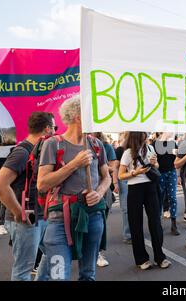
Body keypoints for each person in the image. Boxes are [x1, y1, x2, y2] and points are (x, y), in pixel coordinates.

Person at [37, 96, 111, 281]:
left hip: (92, 217)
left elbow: (107, 177)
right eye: (92, 112)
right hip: (59, 221)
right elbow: (43, 184)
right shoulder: (53, 144)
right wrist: (74, 164)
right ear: (78, 116)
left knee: (88, 274)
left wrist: (99, 193)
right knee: (57, 276)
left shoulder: (96, 144)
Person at [0, 112, 56, 281]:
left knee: (53, 255)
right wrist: (18, 212)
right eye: (54, 128)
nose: (55, 133)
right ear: (47, 129)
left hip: (41, 216)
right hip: (27, 218)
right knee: (23, 270)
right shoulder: (22, 152)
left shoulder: (39, 151)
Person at [118, 132, 171, 270]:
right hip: (135, 189)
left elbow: (157, 167)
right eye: (143, 133)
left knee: (155, 222)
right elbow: (121, 175)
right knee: (136, 224)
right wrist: (135, 172)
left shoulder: (150, 148)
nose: (147, 135)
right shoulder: (128, 153)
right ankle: (142, 259)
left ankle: (160, 257)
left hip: (151, 187)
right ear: (137, 135)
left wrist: (154, 164)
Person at [93, 132, 118, 268]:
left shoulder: (105, 146)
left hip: (102, 188)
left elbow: (112, 168)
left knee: (100, 222)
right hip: (83, 190)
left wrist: (96, 163)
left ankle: (97, 252)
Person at [154, 132, 180, 236]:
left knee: (173, 198)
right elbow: (153, 158)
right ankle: (158, 224)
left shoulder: (173, 143)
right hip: (160, 173)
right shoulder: (155, 144)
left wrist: (177, 153)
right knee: (160, 197)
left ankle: (174, 224)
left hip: (171, 172)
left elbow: (178, 160)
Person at [115, 132, 131, 244]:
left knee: (134, 207)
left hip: (134, 179)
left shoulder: (135, 148)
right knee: (126, 208)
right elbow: (115, 167)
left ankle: (132, 232)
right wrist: (115, 183)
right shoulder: (120, 150)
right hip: (124, 180)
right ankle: (127, 234)